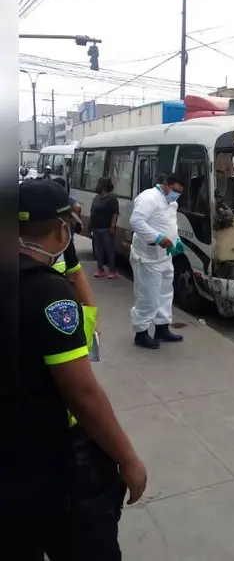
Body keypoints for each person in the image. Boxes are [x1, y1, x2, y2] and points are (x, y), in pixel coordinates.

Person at [12, 179, 147, 559]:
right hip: (41, 459)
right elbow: (82, 394)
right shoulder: (49, 294)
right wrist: (128, 460)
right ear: (61, 230)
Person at [130, 174, 186, 349]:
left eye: (180, 192)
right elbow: (136, 221)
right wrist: (158, 238)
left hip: (164, 256)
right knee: (148, 296)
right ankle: (141, 333)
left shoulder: (171, 203)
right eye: (175, 190)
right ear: (165, 185)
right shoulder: (149, 198)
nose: (176, 195)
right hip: (147, 257)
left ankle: (162, 328)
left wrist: (176, 240)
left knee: (164, 293)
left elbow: (169, 224)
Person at [90, 177, 120, 279]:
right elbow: (92, 212)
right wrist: (91, 226)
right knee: (99, 250)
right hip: (96, 227)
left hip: (106, 228)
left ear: (103, 186)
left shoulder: (112, 198)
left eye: (99, 183)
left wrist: (112, 226)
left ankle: (112, 270)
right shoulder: (96, 198)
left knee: (109, 250)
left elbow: (115, 213)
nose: (97, 185)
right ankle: (100, 269)